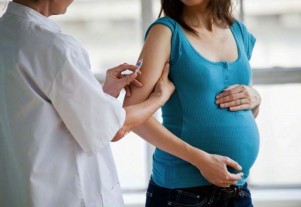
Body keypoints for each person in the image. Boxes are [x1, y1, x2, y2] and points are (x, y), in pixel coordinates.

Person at [0, 1, 176, 207]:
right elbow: (113, 129)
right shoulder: (55, 47)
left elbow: (40, 112)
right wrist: (160, 97)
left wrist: (104, 93)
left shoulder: (7, 33)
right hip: (65, 196)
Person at [123, 0, 262, 206]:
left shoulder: (238, 31)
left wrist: (256, 99)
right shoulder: (165, 32)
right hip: (182, 193)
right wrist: (200, 160)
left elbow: (238, 111)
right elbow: (130, 116)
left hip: (237, 190)